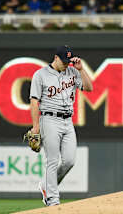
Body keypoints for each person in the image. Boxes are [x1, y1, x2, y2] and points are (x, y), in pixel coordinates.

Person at [30, 45, 93, 207]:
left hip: (68, 121)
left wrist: (81, 69)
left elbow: (89, 88)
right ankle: (52, 200)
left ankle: (46, 185)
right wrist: (35, 127)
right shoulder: (41, 75)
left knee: (69, 161)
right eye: (64, 61)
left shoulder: (73, 71)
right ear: (56, 58)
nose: (66, 64)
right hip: (49, 119)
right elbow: (34, 101)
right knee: (52, 160)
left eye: (68, 61)